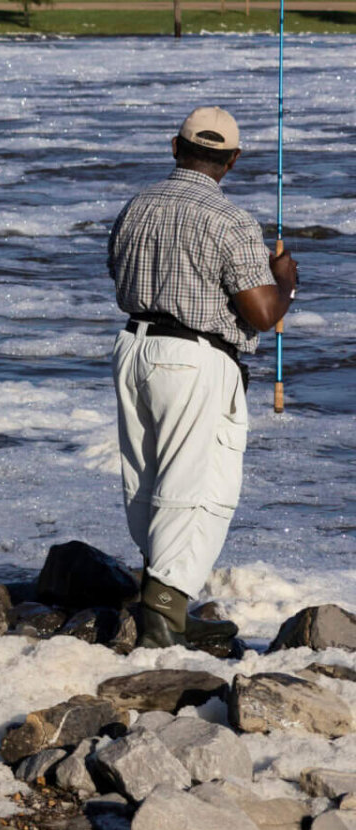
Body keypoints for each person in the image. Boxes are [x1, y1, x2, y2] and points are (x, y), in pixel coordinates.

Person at [106, 105, 298, 653]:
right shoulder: (232, 221)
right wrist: (286, 280)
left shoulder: (135, 206)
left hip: (132, 347)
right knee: (196, 485)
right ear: (232, 161)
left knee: (147, 477)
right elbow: (262, 313)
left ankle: (166, 600)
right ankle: (164, 619)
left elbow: (117, 271)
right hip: (194, 359)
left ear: (175, 147)